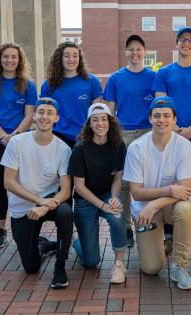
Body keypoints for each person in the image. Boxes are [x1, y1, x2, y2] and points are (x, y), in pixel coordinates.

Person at [123, 96, 191, 290]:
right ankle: (155, 243)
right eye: (157, 116)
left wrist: (154, 203)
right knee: (151, 268)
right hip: (144, 210)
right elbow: (137, 193)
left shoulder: (184, 146)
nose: (161, 120)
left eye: (166, 116)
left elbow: (186, 191)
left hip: (163, 206)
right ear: (150, 118)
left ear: (174, 120)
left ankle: (180, 267)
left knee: (185, 210)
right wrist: (170, 189)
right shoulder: (136, 148)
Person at [152, 26, 191, 255]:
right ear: (176, 43)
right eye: (182, 40)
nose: (186, 44)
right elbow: (160, 104)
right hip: (170, 138)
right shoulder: (165, 73)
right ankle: (168, 236)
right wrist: (174, 128)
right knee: (171, 183)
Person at [1, 97, 74, 289]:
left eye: (50, 113)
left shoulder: (63, 149)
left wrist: (44, 204)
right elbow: (8, 182)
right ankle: (43, 244)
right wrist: (38, 201)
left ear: (57, 118)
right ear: (33, 116)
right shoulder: (17, 142)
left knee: (65, 213)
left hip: (49, 202)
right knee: (31, 268)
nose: (44, 116)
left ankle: (60, 268)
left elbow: (66, 190)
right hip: (24, 207)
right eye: (41, 112)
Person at [0, 42, 37, 249]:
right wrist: (3, 135)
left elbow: (30, 115)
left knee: (24, 185)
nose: (9, 60)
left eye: (14, 57)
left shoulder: (28, 85)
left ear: (19, 60)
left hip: (21, 143)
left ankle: (29, 229)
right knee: (0, 187)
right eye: (6, 57)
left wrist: (16, 135)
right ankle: (1, 230)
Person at [103, 34, 156, 248]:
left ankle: (147, 221)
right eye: (131, 49)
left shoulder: (154, 77)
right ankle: (126, 228)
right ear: (126, 52)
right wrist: (112, 137)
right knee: (124, 183)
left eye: (139, 49)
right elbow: (110, 111)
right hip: (123, 133)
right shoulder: (116, 78)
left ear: (145, 52)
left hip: (147, 133)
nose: (135, 53)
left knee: (147, 181)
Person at [68, 103, 127, 284]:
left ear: (110, 122)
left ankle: (119, 264)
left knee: (117, 216)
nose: (100, 123)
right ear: (89, 124)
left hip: (107, 195)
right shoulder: (80, 149)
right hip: (86, 201)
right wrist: (103, 206)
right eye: (95, 120)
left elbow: (118, 178)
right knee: (91, 262)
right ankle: (76, 240)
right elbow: (79, 187)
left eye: (104, 119)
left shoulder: (118, 145)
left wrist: (114, 198)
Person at [40, 41, 102, 148]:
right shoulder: (49, 84)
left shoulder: (91, 81)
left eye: (75, 56)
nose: (71, 59)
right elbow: (43, 113)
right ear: (60, 58)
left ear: (80, 58)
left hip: (84, 138)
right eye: (67, 56)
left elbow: (96, 113)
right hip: (57, 137)